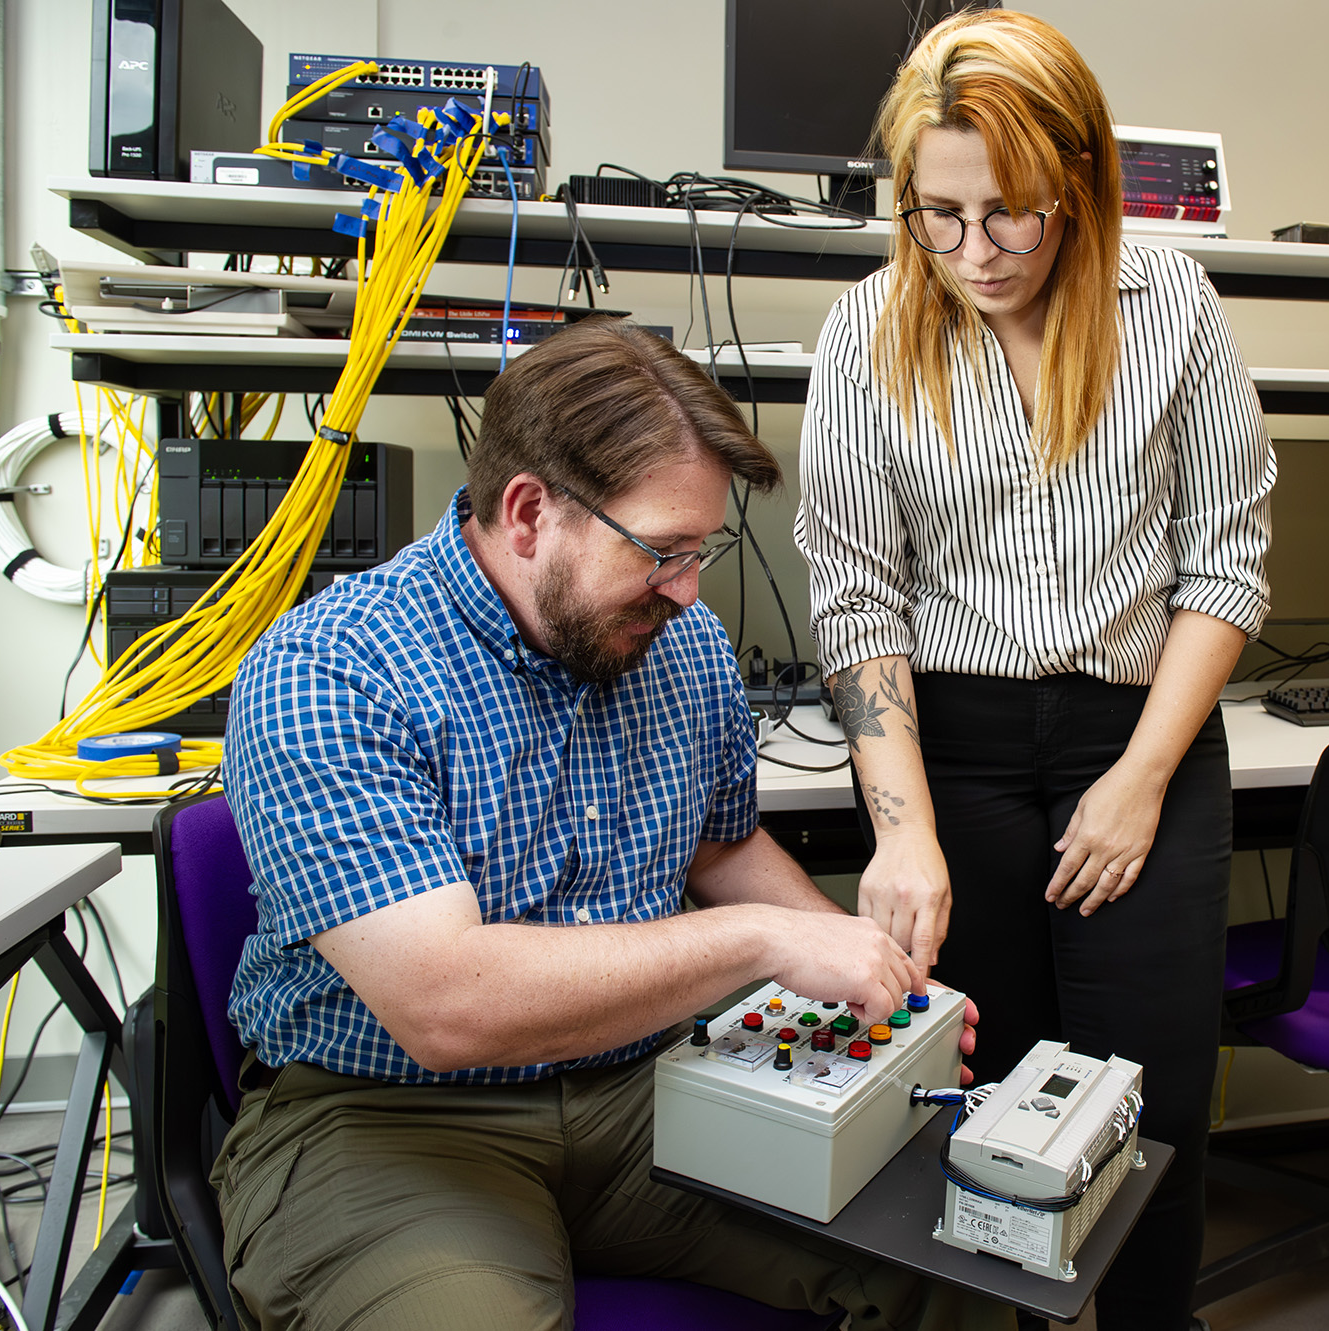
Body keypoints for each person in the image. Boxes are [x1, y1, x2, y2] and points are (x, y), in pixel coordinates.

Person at [214, 318, 1008, 1331]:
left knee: (963, 1247)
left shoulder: (683, 649)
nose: (687, 589)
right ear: (530, 512)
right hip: (390, 1113)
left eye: (702, 550)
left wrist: (863, 968)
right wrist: (768, 941)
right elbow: (444, 1006)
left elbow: (718, 846)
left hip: (652, 1080)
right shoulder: (329, 667)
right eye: (661, 552)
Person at [795, 11, 1274, 1330]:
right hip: (950, 746)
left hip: (1143, 737)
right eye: (936, 215)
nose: (972, 251)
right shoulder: (868, 330)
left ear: (1080, 181)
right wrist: (904, 833)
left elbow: (1223, 567)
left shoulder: (1168, 301)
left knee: (1153, 1108)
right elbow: (856, 598)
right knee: (980, 1100)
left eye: (1009, 213)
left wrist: (1139, 779)